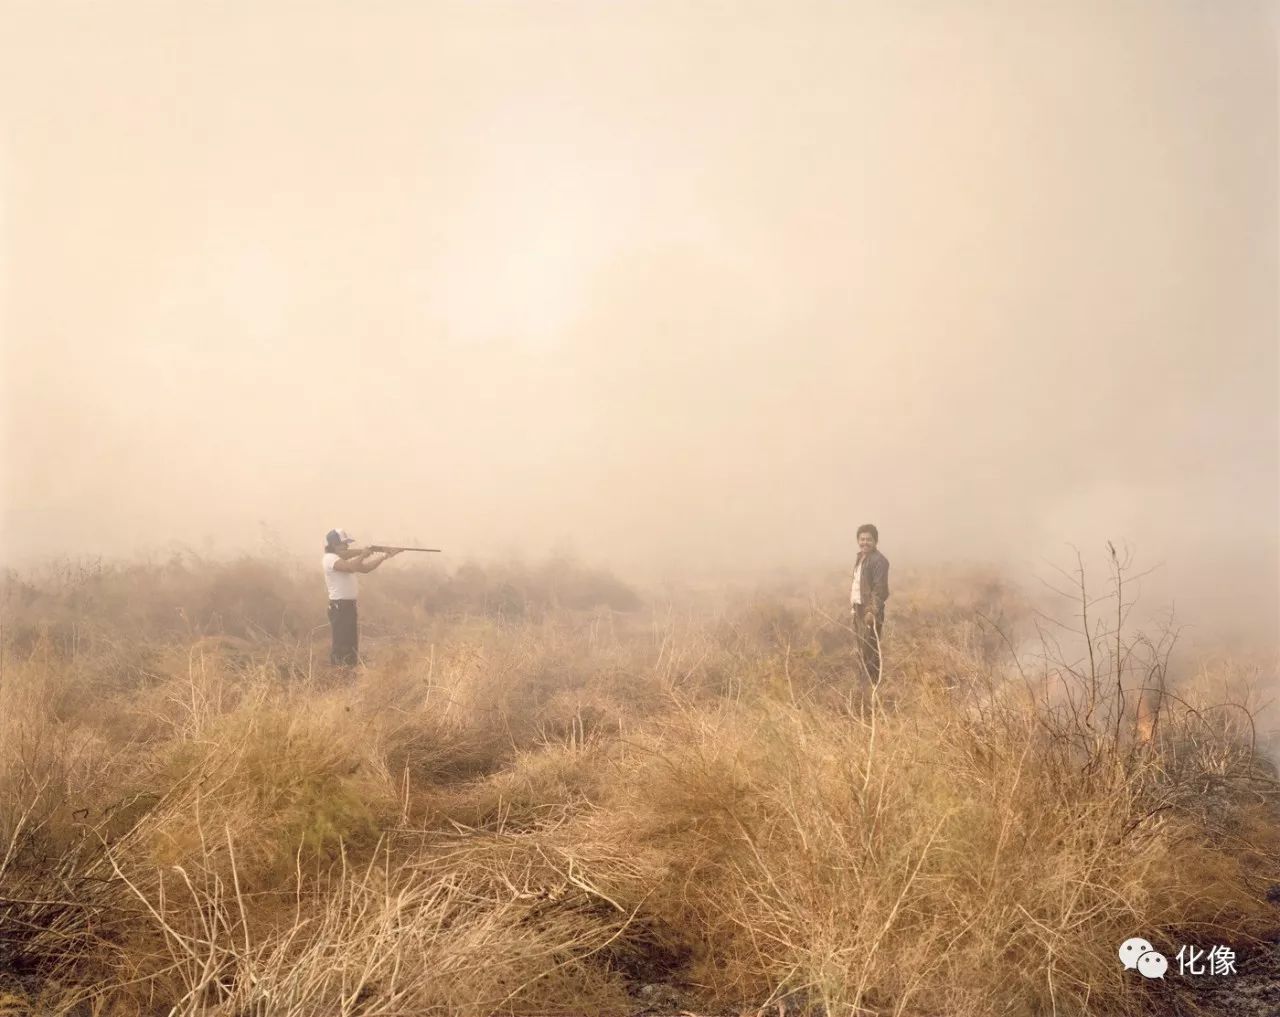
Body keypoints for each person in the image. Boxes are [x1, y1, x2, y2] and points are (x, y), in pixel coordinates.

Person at [322, 528, 402, 666]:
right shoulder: (330, 559)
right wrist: (362, 554)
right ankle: (338, 677)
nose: (347, 546)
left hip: (347, 607)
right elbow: (350, 568)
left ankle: (348, 675)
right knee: (341, 646)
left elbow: (366, 569)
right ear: (334, 545)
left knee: (350, 646)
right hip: (339, 607)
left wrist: (384, 556)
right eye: (344, 544)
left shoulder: (340, 558)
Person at [850, 523, 890, 686]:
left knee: (870, 651)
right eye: (862, 539)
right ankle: (864, 684)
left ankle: (873, 688)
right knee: (862, 650)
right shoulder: (861, 557)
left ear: (875, 541)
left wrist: (871, 611)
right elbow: (858, 585)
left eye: (869, 539)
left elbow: (880, 590)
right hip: (859, 609)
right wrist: (854, 608)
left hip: (870, 612)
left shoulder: (880, 561)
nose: (864, 542)